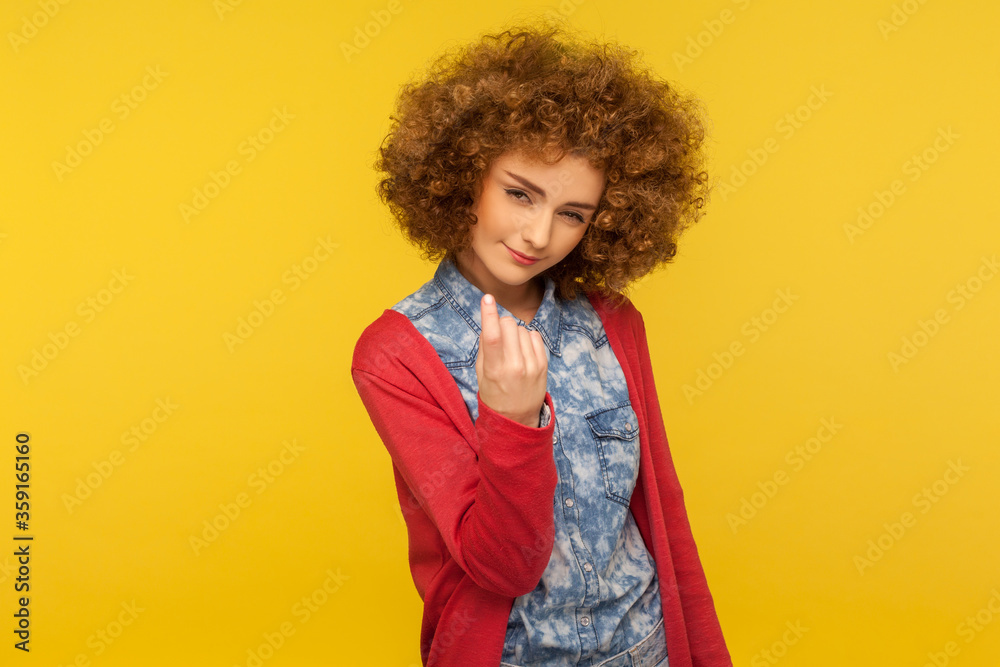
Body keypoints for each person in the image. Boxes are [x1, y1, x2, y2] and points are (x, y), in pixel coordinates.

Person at [351, 19, 732, 667]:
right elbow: (501, 568)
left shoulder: (614, 321)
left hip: (645, 646)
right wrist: (513, 421)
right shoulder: (396, 354)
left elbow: (663, 507)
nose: (537, 233)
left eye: (572, 214)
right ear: (464, 171)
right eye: (519, 194)